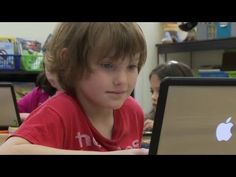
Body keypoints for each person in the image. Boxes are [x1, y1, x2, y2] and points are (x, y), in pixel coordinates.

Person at [0, 22, 148, 155]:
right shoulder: (60, 111)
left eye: (131, 66)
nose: (122, 80)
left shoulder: (133, 112)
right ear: (69, 61)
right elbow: (7, 151)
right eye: (107, 65)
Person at [144, 60, 194, 131]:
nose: (153, 97)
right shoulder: (147, 121)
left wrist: (162, 128)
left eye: (161, 91)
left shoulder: (196, 122)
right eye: (152, 91)